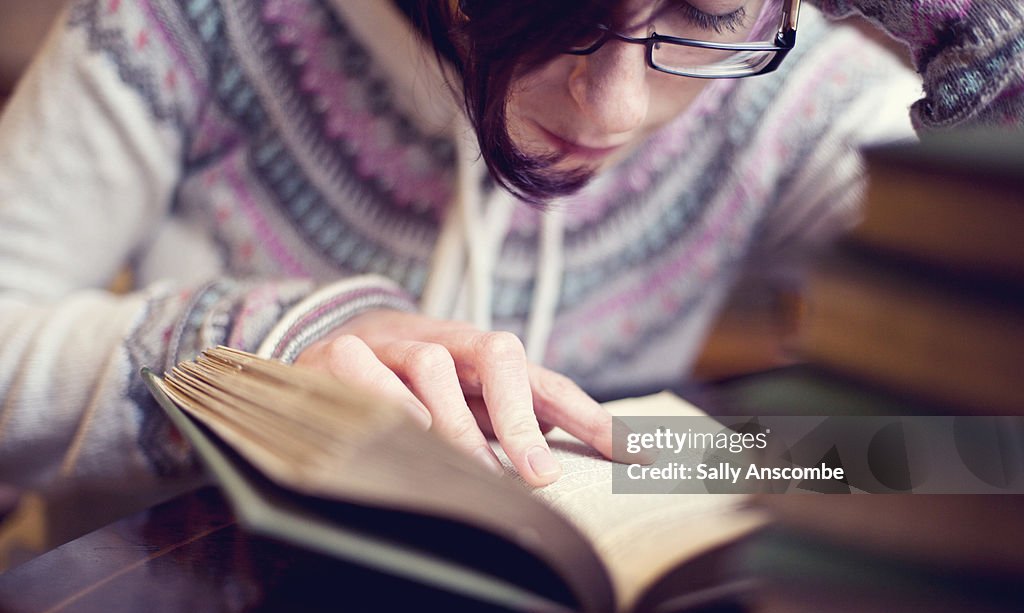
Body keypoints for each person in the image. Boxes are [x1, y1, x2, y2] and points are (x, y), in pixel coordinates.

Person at [0, 0, 1020, 505]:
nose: (614, 107)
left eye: (703, 9)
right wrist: (255, 353)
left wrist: (980, 36)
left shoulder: (781, 91)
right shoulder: (191, 22)